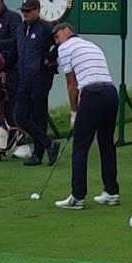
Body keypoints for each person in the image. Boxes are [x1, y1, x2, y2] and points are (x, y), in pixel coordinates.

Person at [52, 23, 120, 210]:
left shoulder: (65, 48)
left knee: (80, 145)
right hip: (110, 93)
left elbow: (72, 83)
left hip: (93, 94)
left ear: (66, 31)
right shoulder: (92, 45)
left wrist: (74, 111)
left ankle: (77, 197)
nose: (57, 42)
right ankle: (111, 192)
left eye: (57, 37)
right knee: (106, 143)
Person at [3, 0, 60, 166]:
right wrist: (3, 69)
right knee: (19, 116)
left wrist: (50, 58)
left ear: (37, 10)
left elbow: (59, 44)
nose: (25, 13)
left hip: (40, 79)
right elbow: (14, 51)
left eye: (28, 11)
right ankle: (49, 143)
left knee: (39, 116)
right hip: (23, 78)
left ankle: (38, 154)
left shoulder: (45, 29)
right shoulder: (20, 29)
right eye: (23, 11)